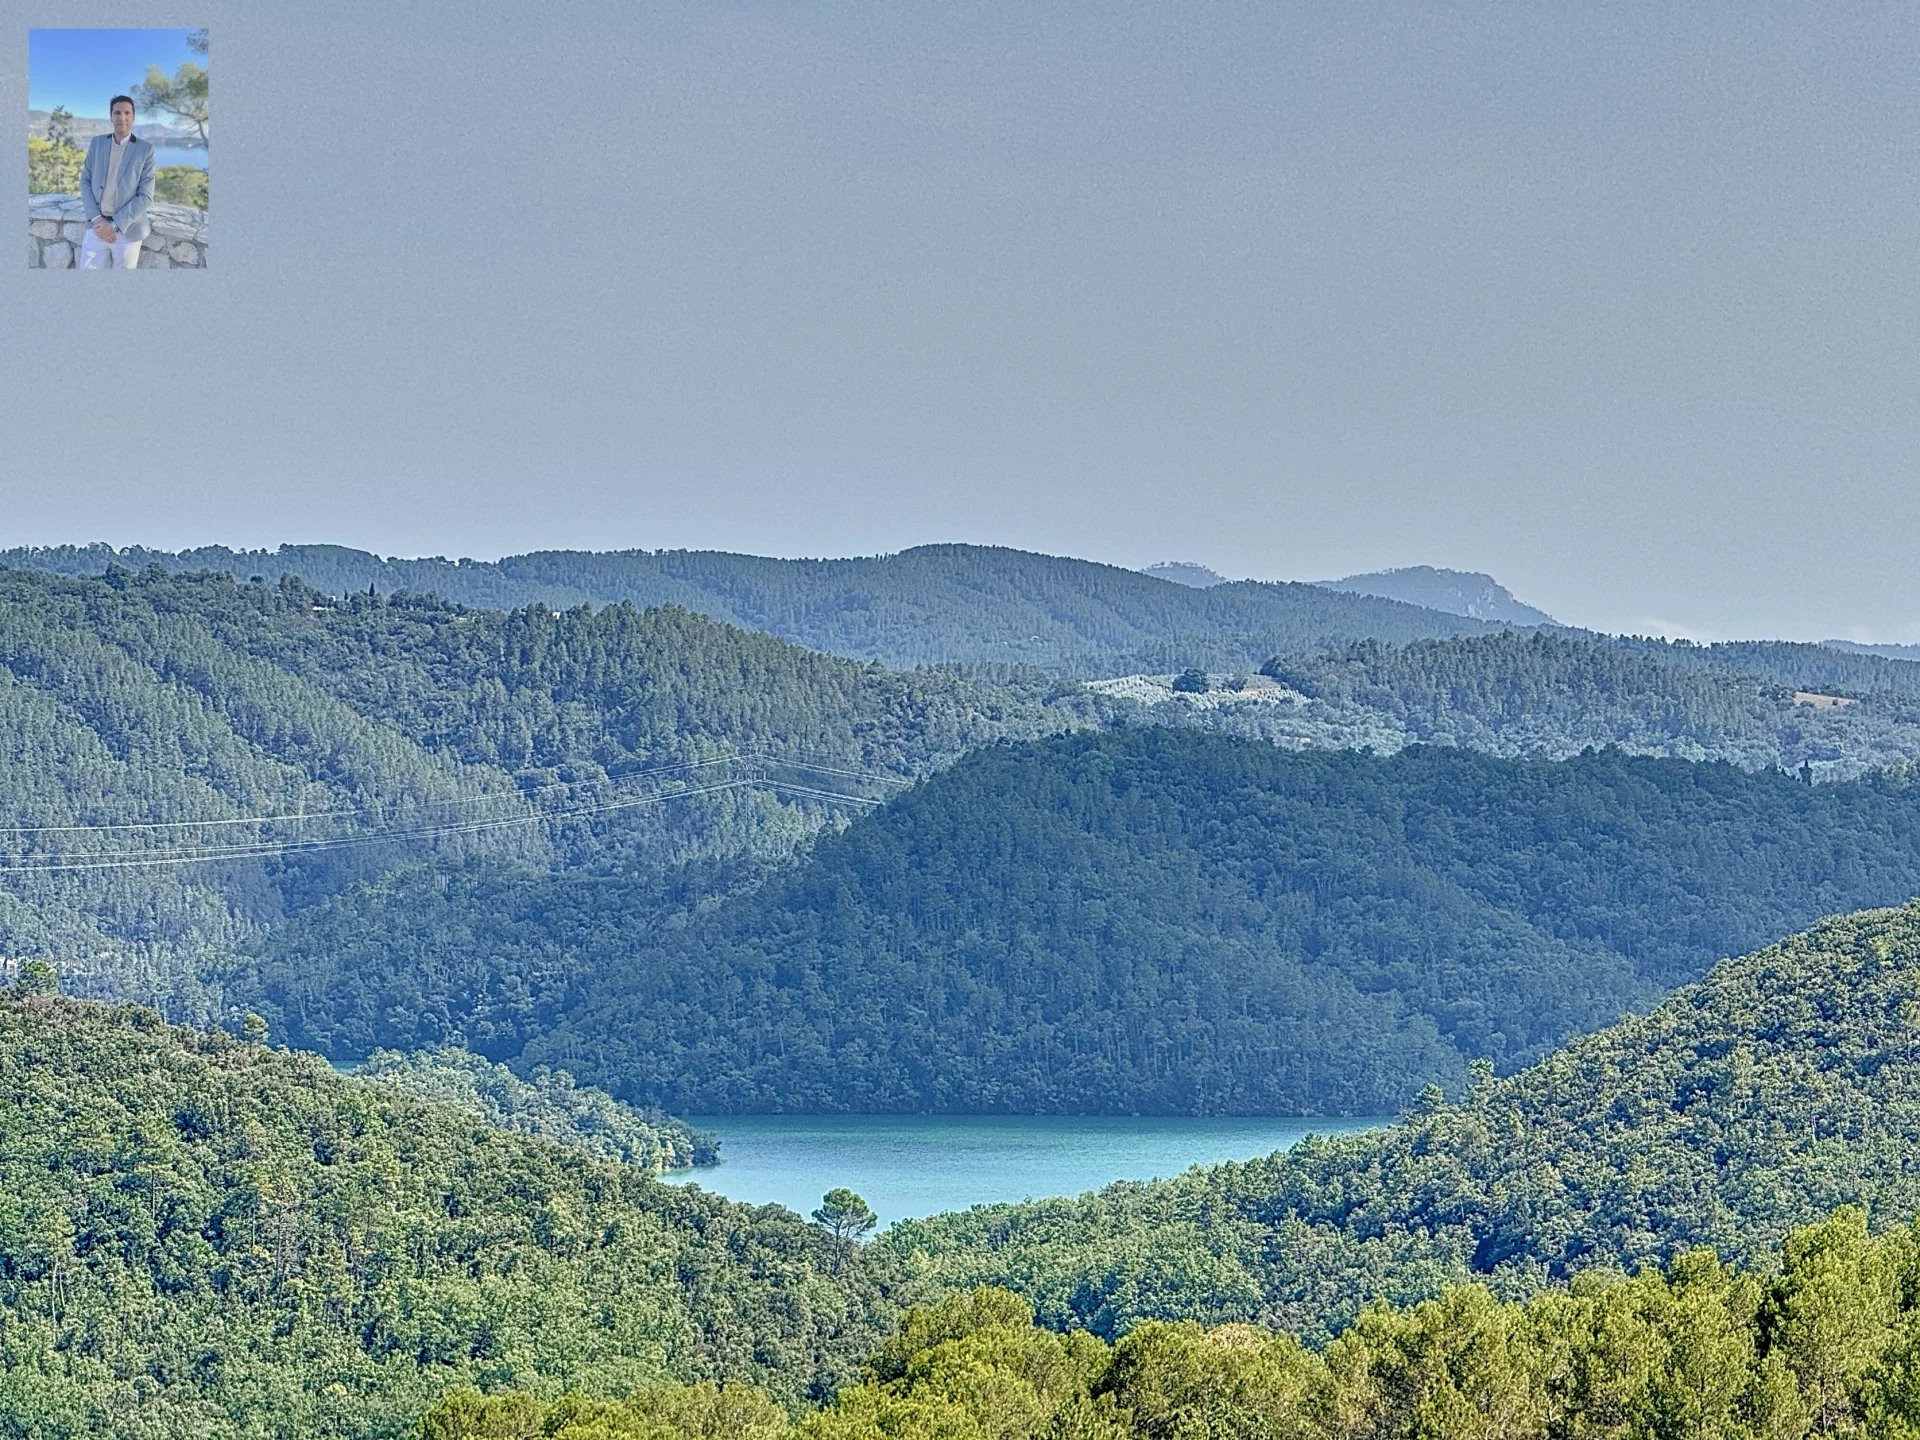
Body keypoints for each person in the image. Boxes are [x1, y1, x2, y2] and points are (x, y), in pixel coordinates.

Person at [77, 96, 156, 269]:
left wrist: (114, 226)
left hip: (128, 230)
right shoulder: (97, 143)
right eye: (117, 112)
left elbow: (145, 196)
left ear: (133, 117)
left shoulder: (145, 150)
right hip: (96, 226)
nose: (122, 117)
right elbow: (85, 180)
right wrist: (98, 220)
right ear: (111, 116)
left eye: (127, 113)